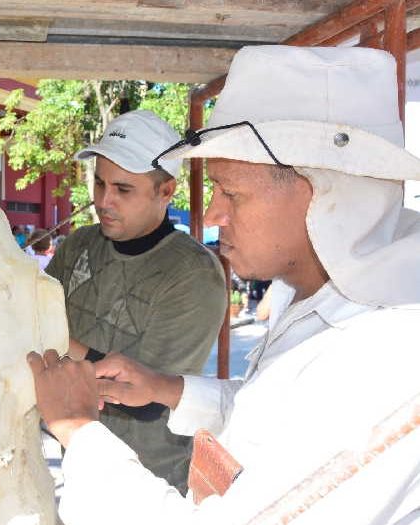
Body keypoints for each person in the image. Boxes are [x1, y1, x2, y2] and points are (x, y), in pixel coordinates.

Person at [29, 45, 420, 524]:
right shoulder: (317, 296)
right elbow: (274, 414)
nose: (213, 215)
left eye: (232, 193)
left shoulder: (387, 350)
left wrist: (78, 428)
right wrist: (170, 389)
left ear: (321, 193)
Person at [44, 109, 227, 491]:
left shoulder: (194, 273)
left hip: (149, 480)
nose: (104, 201)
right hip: (79, 462)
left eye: (123, 189)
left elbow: (143, 398)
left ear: (165, 191)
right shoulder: (78, 244)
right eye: (99, 183)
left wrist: (48, 337)